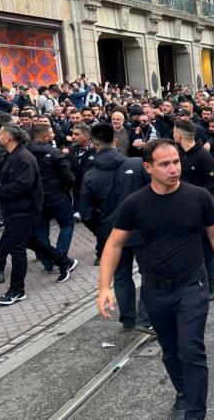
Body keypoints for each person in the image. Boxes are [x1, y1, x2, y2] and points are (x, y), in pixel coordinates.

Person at [97, 138, 214, 420]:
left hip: (192, 287)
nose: (174, 169)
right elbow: (113, 244)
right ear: (148, 167)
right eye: (165, 164)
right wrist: (104, 287)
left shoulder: (198, 197)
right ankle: (183, 393)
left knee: (191, 350)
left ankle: (195, 414)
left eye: (176, 161)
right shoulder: (134, 204)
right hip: (155, 291)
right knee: (171, 350)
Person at [80, 123, 152, 332]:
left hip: (111, 234)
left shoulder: (90, 176)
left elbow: (86, 213)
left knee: (121, 276)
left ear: (94, 145)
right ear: (116, 141)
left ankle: (128, 319)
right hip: (141, 232)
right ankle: (144, 317)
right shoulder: (138, 165)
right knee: (149, 273)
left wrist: (101, 230)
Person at [0, 124, 78, 302]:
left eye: (0, 133)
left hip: (23, 211)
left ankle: (17, 290)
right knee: (34, 242)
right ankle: (65, 262)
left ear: (8, 137)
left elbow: (23, 185)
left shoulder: (24, 157)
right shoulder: (12, 156)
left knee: (17, 249)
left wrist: (0, 189)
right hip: (14, 210)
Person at [173, 120, 214, 301]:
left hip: (200, 210)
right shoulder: (178, 155)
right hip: (181, 209)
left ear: (179, 134)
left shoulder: (203, 156)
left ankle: (213, 283)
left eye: (174, 132)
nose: (173, 135)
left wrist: (195, 202)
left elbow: (211, 185)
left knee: (207, 249)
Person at [28, 124, 76, 273]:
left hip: (36, 197)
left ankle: (47, 262)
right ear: (44, 136)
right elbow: (67, 177)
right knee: (67, 223)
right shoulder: (55, 153)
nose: (53, 135)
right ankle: (60, 256)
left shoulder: (24, 153)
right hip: (55, 195)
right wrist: (65, 186)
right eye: (51, 133)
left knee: (41, 229)